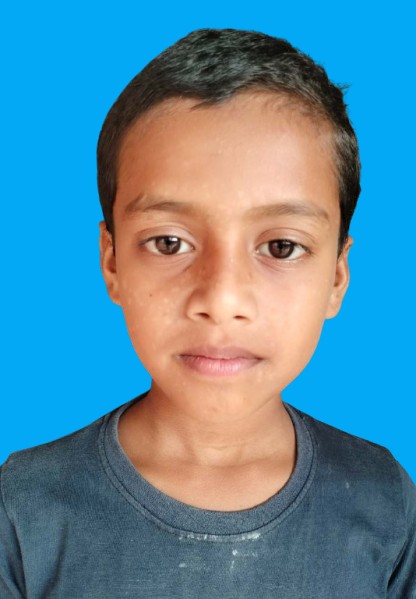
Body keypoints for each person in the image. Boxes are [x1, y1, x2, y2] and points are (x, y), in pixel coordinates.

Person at [1, 28, 415, 598]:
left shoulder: (384, 500)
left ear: (337, 278)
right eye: (169, 243)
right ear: (112, 262)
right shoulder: (24, 509)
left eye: (281, 247)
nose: (221, 300)